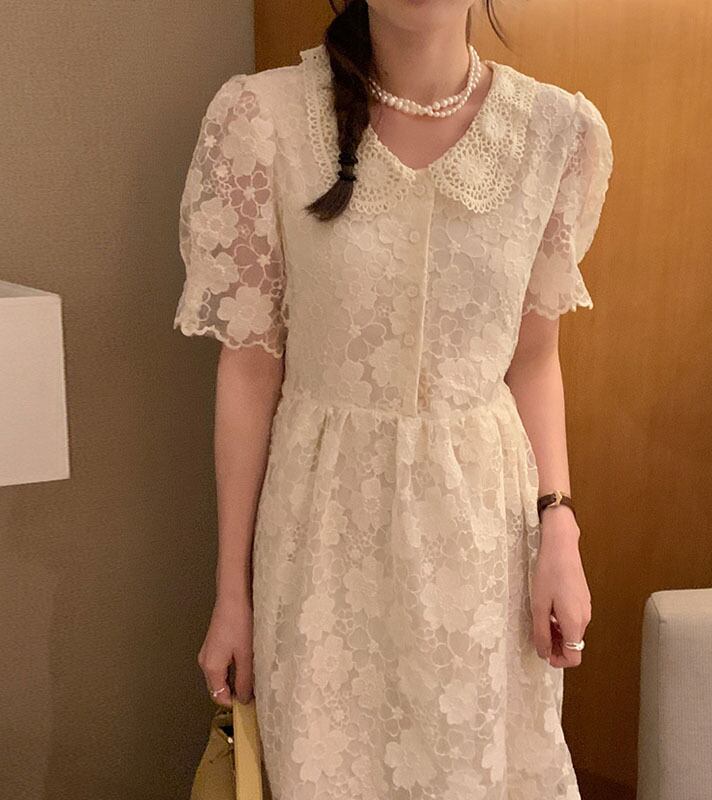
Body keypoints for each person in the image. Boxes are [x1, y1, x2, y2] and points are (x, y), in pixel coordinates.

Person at [173, 0, 613, 796]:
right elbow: (249, 371)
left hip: (483, 543)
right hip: (321, 540)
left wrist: (560, 528)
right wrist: (230, 592)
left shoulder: (555, 133)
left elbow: (535, 358)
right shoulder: (264, 119)